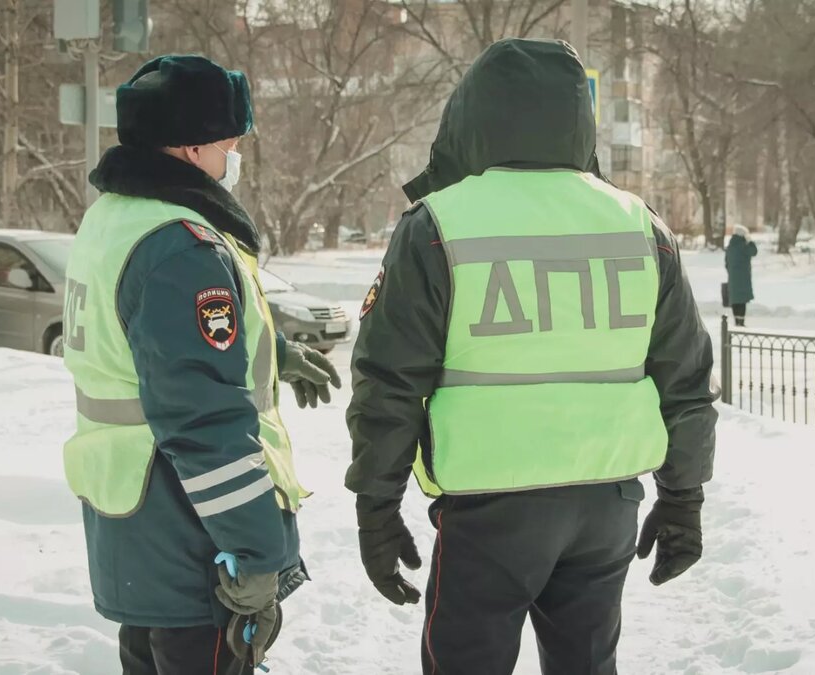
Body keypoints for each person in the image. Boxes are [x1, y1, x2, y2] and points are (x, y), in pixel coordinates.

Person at [345, 39, 719, 675]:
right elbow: (684, 379)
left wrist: (375, 509)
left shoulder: (438, 223)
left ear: (472, 118)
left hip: (488, 509)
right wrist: (683, 498)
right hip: (606, 504)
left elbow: (389, 383)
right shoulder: (639, 225)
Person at [60, 55, 341, 675]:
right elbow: (203, 420)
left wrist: (273, 356)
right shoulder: (179, 246)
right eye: (227, 144)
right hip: (195, 538)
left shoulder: (112, 219)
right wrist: (258, 550)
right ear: (189, 149)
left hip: (135, 520)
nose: (231, 159)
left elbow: (143, 349)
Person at [725, 225, 757, 327]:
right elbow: (754, 251)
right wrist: (750, 241)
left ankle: (736, 321)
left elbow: (726, 263)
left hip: (733, 278)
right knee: (742, 300)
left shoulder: (730, 246)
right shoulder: (743, 246)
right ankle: (741, 322)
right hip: (743, 278)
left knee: (735, 299)